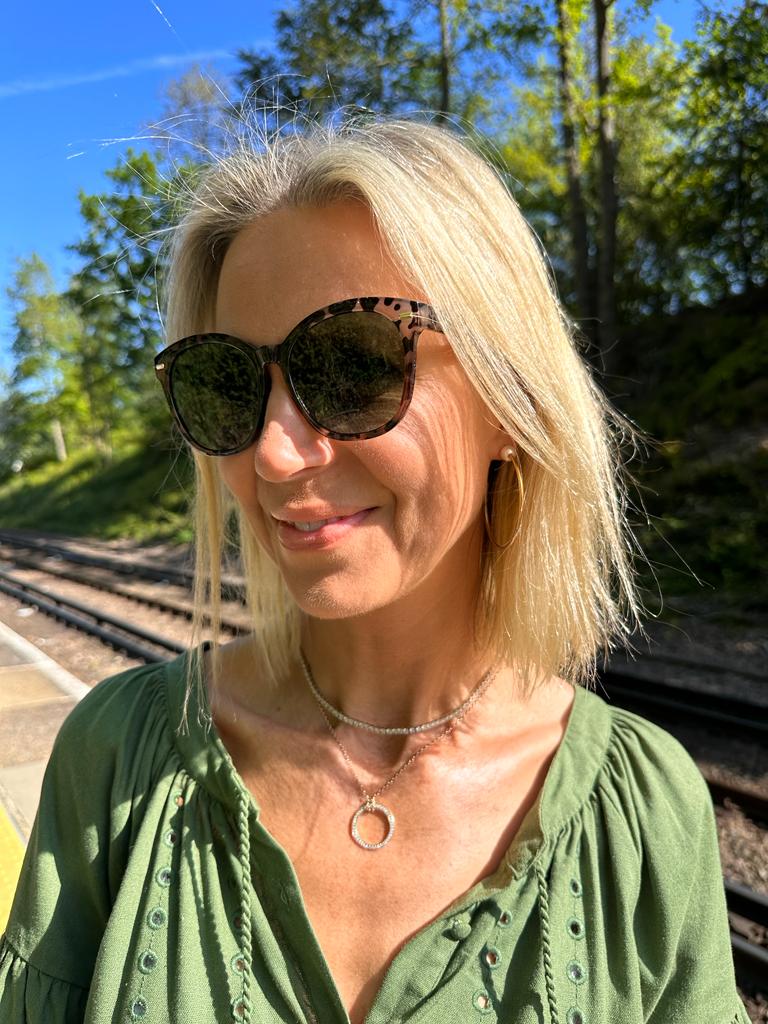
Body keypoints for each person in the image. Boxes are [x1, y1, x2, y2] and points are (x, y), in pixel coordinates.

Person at [0, 115, 748, 1024]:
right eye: (228, 383)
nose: (274, 455)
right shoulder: (116, 761)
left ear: (510, 398)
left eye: (353, 367)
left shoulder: (645, 815)